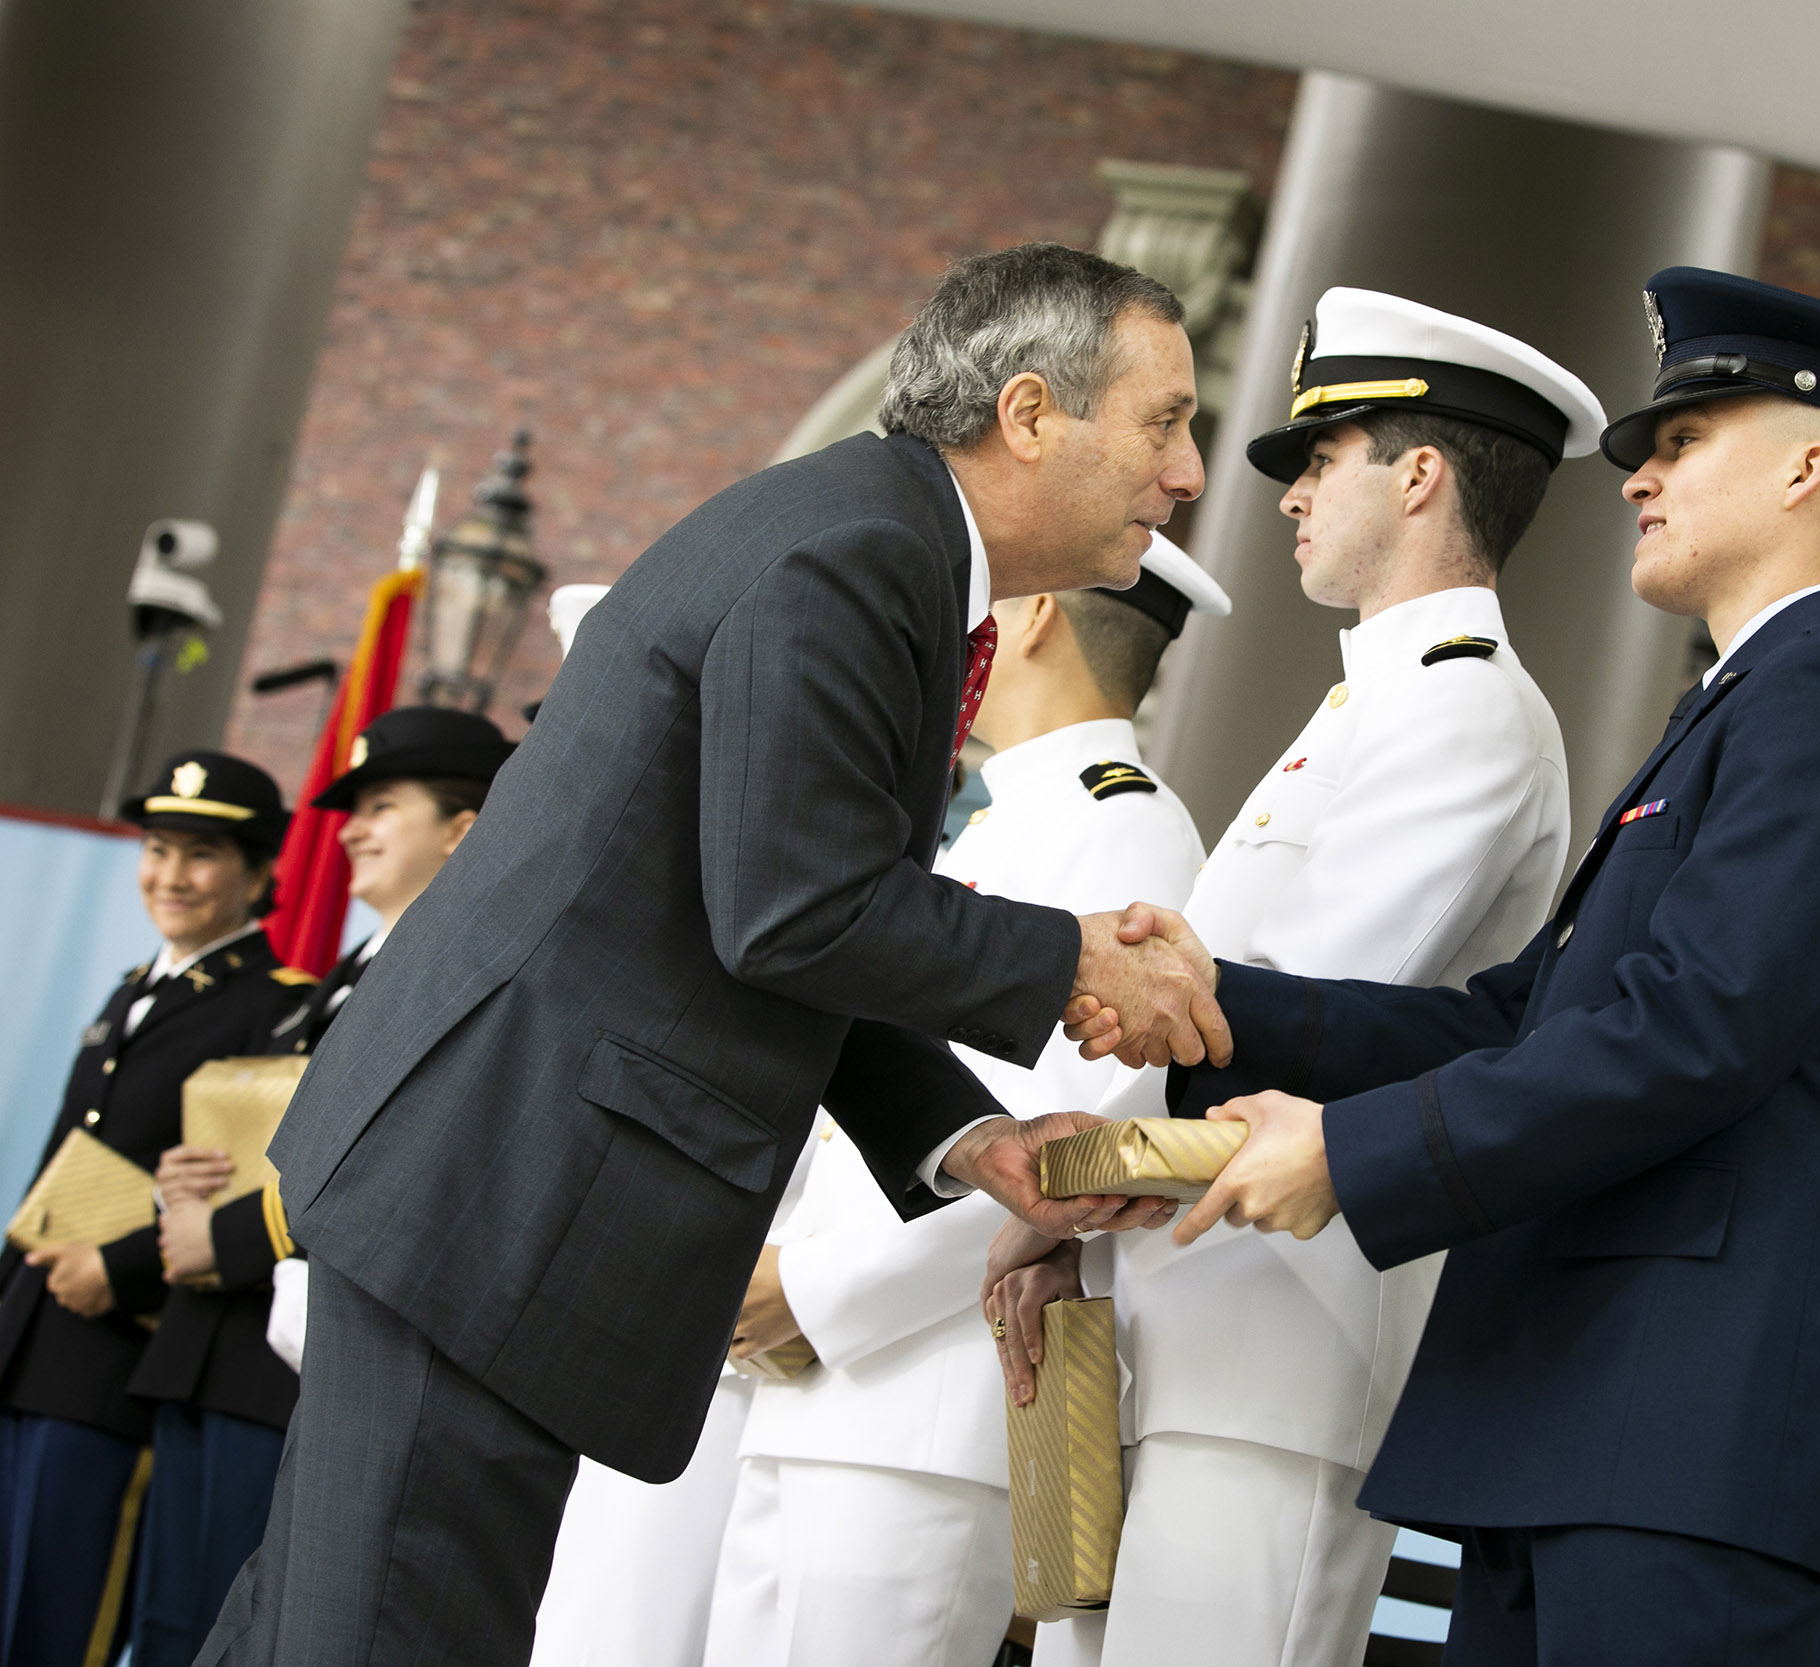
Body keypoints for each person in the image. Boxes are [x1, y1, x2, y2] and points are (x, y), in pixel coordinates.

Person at [201, 241, 1229, 1667]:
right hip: (497, 1197)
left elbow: (773, 918)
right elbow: (794, 906)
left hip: (488, 1188)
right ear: (1033, 411)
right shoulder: (866, 554)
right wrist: (1069, 962)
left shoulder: (876, 539)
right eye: (1165, 421)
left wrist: (969, 1144)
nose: (1187, 473)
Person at [1061, 268, 1820, 1665]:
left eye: (1683, 441)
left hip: (1686, 1429)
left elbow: (1693, 1029)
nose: (1638, 476)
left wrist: (1351, 1153)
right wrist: (1216, 996)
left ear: (1810, 464)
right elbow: (1523, 1017)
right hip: (1582, 1417)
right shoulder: (1746, 707)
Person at [1006, 288, 1600, 1667]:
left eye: (1322, 460)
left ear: (1421, 471)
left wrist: (1069, 1175)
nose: (1286, 497)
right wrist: (1064, 1212)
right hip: (1177, 1313)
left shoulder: (1468, 708)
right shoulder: (1372, 701)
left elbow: (1286, 1018)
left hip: (1285, 1346)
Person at [695, 531, 1226, 1667]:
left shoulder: (1121, 821)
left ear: (1032, 618)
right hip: (817, 1385)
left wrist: (813, 1287)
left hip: (929, 1398)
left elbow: (1071, 1155)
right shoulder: (991, 816)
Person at [128, 709, 512, 1667]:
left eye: (383, 805)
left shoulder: (454, 970)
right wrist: (188, 1180)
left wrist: (225, 1236)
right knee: (181, 1626)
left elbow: (391, 1158)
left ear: (463, 828)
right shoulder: (335, 981)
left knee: (281, 1627)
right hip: (224, 1343)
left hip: (307, 1351)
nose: (347, 828)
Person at [0, 752, 307, 1667]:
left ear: (259, 875)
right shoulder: (130, 990)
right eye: (159, 848)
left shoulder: (273, 1008)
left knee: (57, 1624)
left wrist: (120, 1266)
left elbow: (245, 1187)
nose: (170, 875)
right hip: (29, 1340)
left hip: (116, 1357)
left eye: (201, 854)